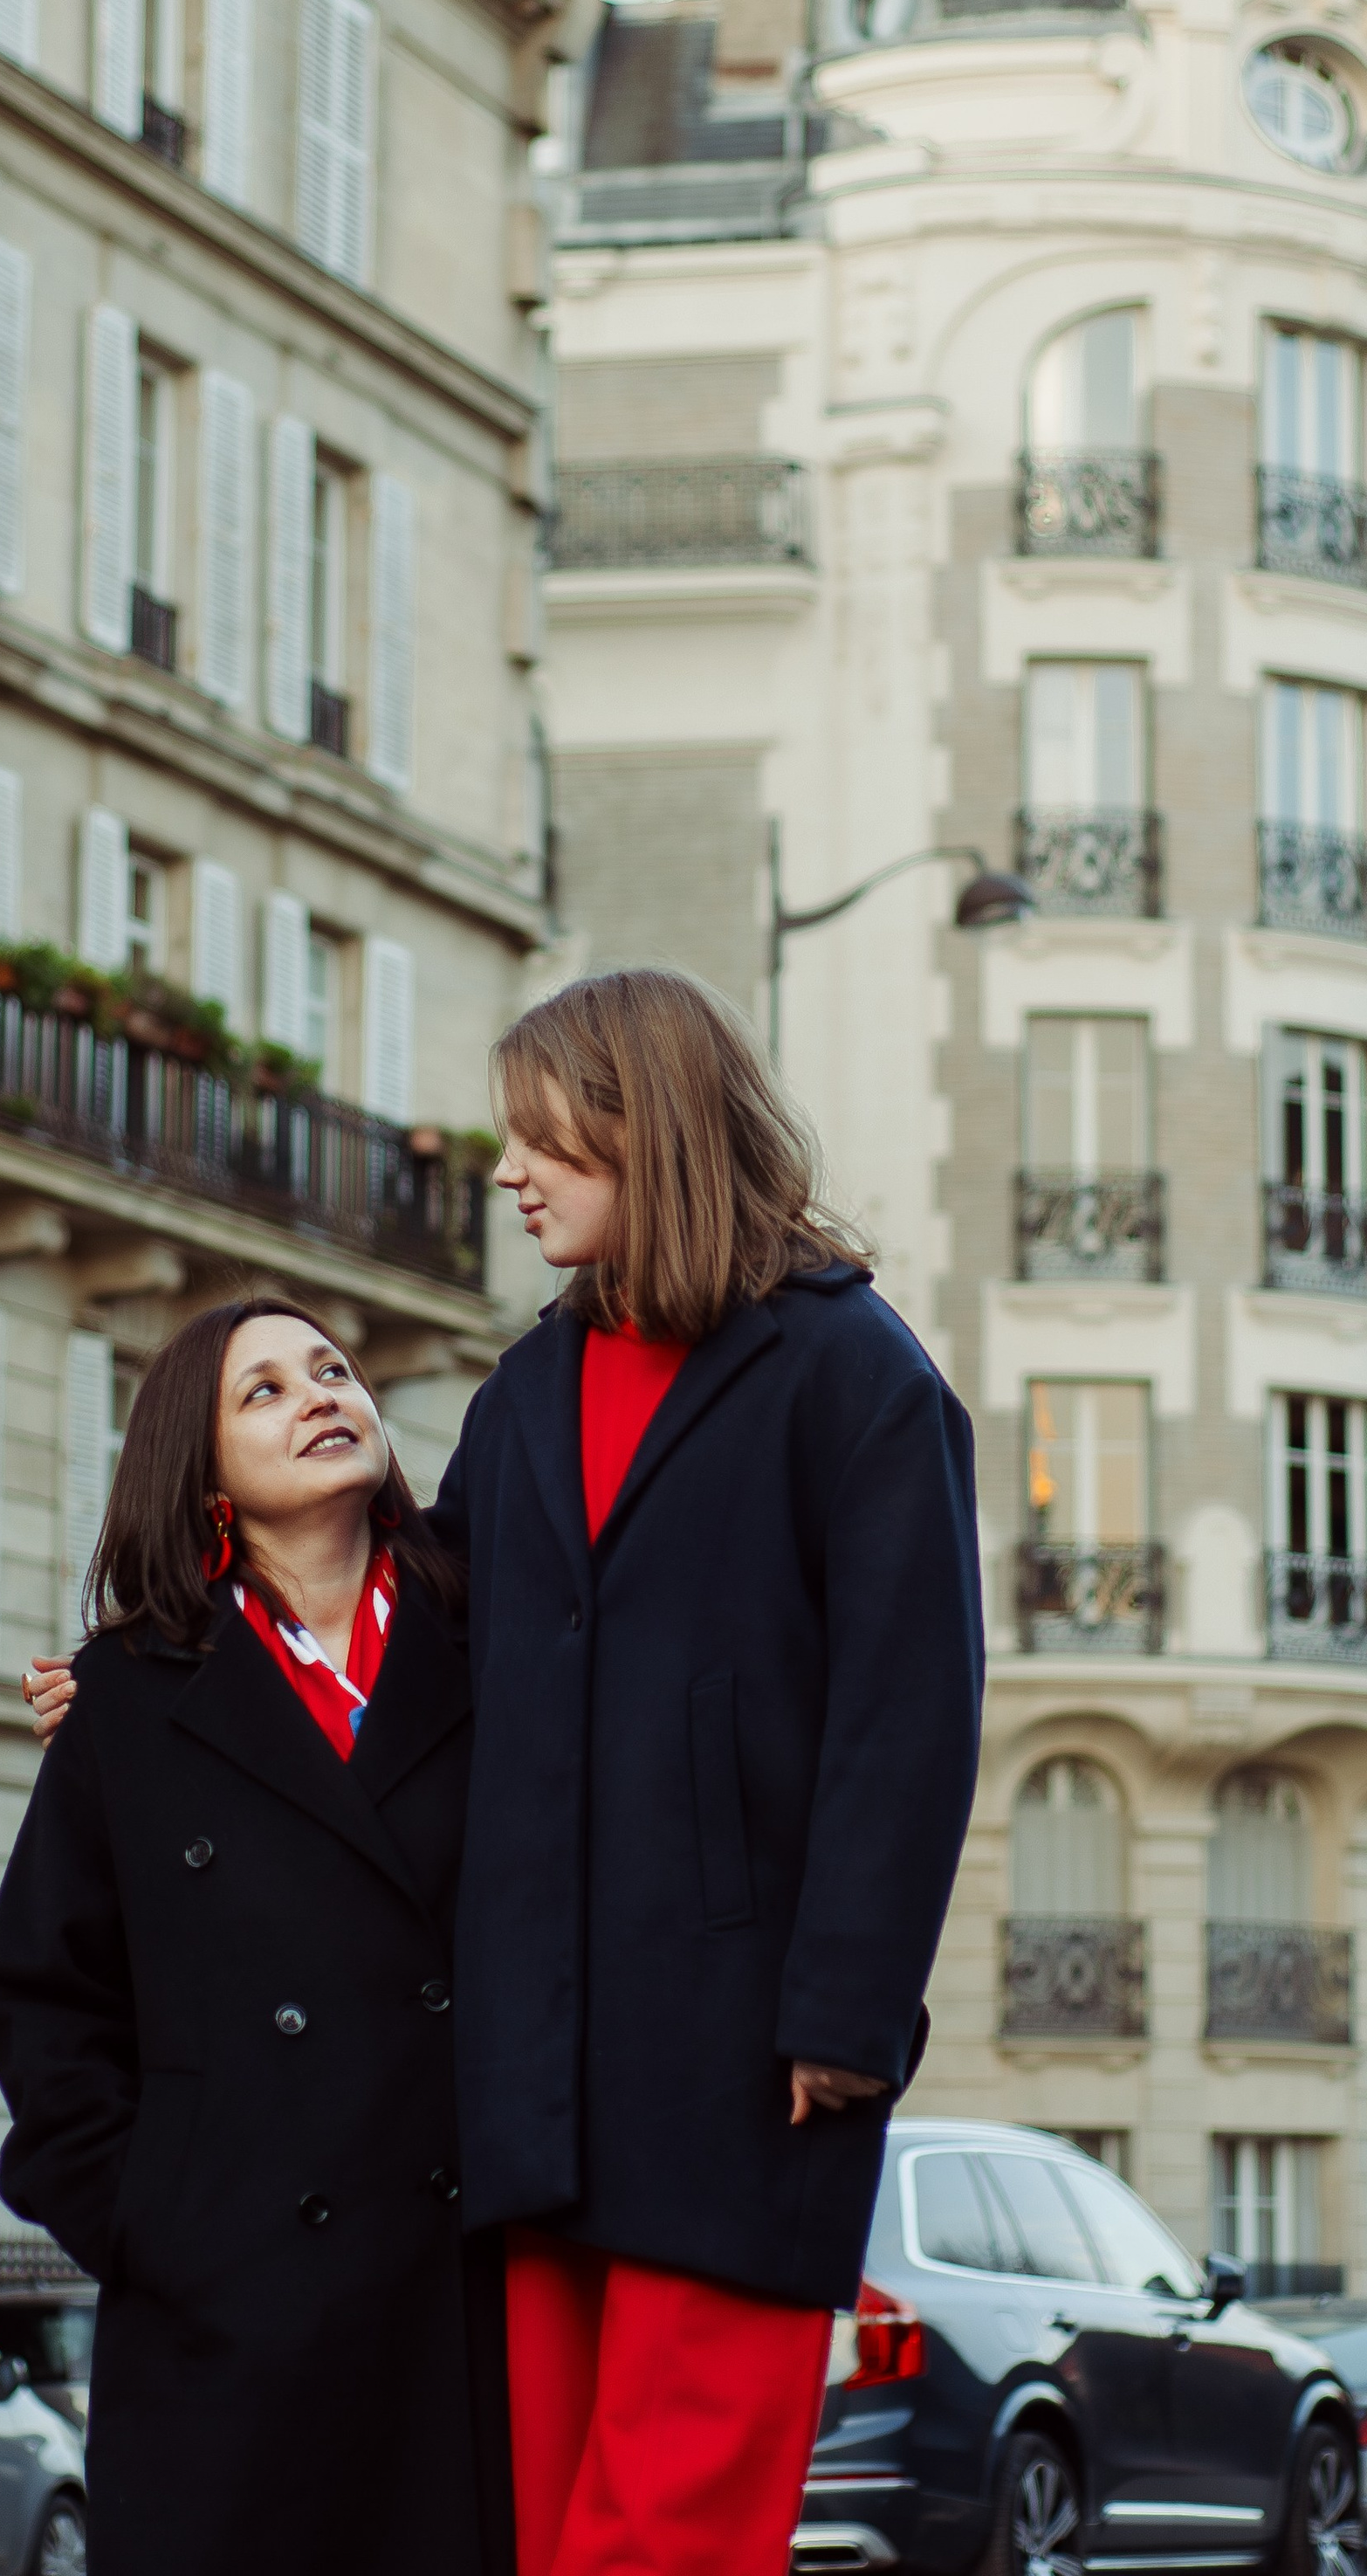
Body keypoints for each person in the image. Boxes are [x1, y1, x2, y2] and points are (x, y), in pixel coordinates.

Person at [449, 968, 984, 2576]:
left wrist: (847, 2013)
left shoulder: (856, 1372)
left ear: (648, 1126)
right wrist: (157, 1675)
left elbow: (910, 1713)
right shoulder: (525, 1391)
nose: (507, 1171)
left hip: (743, 2067)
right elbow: (415, 1658)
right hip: (535, 2079)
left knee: (665, 2535)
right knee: (544, 2531)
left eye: (541, 1133)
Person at [0, 1300, 509, 2576]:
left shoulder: (497, 1641)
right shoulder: (129, 1695)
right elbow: (40, 1994)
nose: (319, 1395)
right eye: (262, 1391)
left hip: (459, 2306)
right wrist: (156, 2224)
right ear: (202, 1472)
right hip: (224, 2338)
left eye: (332, 1370)